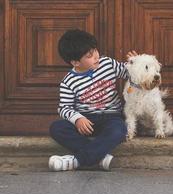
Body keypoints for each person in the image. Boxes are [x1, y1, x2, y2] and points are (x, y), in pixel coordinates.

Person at [49, 29, 137, 171]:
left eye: (95, 51)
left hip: (111, 117)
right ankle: (101, 157)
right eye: (89, 55)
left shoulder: (107, 63)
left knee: (119, 130)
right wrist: (77, 119)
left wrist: (136, 63)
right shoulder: (68, 81)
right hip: (86, 121)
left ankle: (77, 160)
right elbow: (64, 107)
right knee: (57, 128)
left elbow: (130, 74)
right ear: (75, 62)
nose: (96, 56)